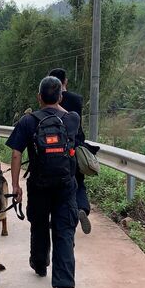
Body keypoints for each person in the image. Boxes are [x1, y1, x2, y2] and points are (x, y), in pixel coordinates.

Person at [6, 76, 80, 288]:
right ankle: (63, 287)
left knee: (39, 225)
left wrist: (16, 185)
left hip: (38, 184)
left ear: (38, 97)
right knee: (64, 231)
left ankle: (39, 264)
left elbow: (16, 153)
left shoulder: (28, 122)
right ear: (60, 96)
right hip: (65, 185)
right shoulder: (72, 119)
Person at [49, 67, 92, 234]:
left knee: (55, 184)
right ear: (65, 81)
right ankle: (81, 208)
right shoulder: (76, 99)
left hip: (53, 149)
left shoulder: (49, 99)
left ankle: (57, 217)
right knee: (78, 182)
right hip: (74, 147)